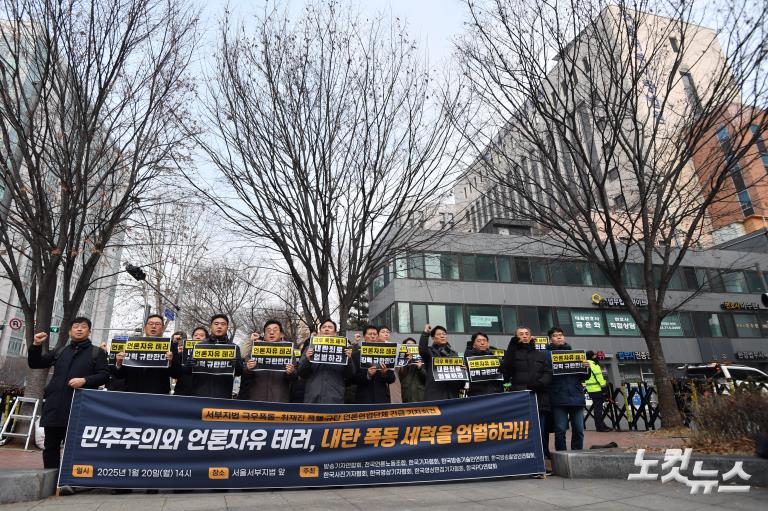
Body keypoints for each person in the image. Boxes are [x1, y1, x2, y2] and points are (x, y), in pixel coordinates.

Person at [27, 317, 110, 469]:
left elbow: (104, 375)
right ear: (70, 331)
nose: (79, 329)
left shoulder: (96, 353)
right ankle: (51, 481)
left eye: (83, 327)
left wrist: (85, 380)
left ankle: (69, 482)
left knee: (75, 448)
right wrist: (36, 345)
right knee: (50, 447)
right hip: (54, 408)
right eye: (76, 326)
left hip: (80, 408)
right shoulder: (60, 351)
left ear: (89, 331)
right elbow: (35, 363)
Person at [502, 326, 553, 459]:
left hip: (539, 397)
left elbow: (548, 372)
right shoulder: (512, 354)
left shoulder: (541, 355)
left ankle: (541, 461)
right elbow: (504, 370)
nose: (524, 336)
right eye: (520, 334)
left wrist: (539, 384)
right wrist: (511, 347)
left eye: (526, 334)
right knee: (523, 431)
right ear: (516, 337)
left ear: (531, 337)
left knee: (540, 431)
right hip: (520, 398)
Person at [113, 314, 180, 394]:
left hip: (158, 395)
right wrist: (119, 363)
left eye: (157, 324)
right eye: (150, 324)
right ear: (145, 328)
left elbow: (176, 374)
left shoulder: (170, 346)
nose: (154, 326)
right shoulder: (130, 344)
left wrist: (170, 362)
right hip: (131, 393)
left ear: (162, 329)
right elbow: (119, 375)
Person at [547, 327, 590, 451]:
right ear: (550, 340)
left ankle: (577, 455)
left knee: (579, 429)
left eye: (561, 334)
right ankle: (562, 456)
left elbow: (584, 377)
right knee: (560, 430)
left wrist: (587, 367)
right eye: (555, 335)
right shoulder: (547, 355)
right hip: (558, 397)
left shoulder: (575, 354)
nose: (559, 337)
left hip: (576, 396)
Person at [298, 318, 355, 404]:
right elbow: (301, 373)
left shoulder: (343, 350)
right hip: (312, 398)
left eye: (330, 327)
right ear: (320, 332)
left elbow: (350, 375)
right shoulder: (309, 348)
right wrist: (307, 359)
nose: (326, 329)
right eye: (324, 327)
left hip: (335, 398)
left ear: (335, 333)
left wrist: (349, 360)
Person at [187, 314, 242, 399]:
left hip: (223, 395)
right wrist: (189, 365)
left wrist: (237, 365)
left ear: (227, 327)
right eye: (216, 324)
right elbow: (188, 372)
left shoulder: (234, 348)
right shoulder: (199, 346)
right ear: (211, 326)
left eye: (223, 324)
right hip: (199, 394)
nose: (219, 326)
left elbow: (239, 372)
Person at [241, 320, 296, 402]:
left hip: (280, 399)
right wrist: (248, 369)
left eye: (275, 330)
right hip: (256, 399)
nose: (271, 333)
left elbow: (295, 378)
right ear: (264, 334)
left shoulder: (288, 352)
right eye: (268, 330)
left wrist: (291, 372)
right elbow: (244, 373)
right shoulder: (255, 350)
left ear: (281, 334)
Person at [419, 324, 463, 400]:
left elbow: (460, 378)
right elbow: (422, 349)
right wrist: (426, 333)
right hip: (435, 395)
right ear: (433, 338)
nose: (442, 336)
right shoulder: (429, 352)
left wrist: (463, 371)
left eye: (444, 334)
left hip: (452, 395)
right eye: (439, 334)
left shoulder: (454, 354)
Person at [354, 325, 395, 403]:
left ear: (378, 336)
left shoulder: (386, 354)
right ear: (364, 337)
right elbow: (352, 378)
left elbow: (392, 379)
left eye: (375, 334)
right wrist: (367, 375)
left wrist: (385, 373)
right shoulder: (356, 355)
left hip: (382, 399)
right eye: (370, 334)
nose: (373, 336)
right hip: (363, 399)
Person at [465, 332, 504, 396]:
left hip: (496, 393)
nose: (482, 343)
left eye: (484, 341)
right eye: (479, 341)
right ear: (474, 344)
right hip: (476, 395)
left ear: (488, 343)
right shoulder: (468, 358)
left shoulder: (495, 357)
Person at [174, 327, 206, 396]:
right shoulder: (182, 354)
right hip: (182, 393)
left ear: (206, 339)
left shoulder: (211, 356)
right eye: (195, 335)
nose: (198, 337)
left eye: (201, 335)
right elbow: (175, 372)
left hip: (201, 393)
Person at [584, 350, 611, 431]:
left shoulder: (585, 363)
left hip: (590, 389)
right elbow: (599, 377)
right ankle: (600, 427)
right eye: (594, 355)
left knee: (597, 408)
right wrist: (604, 387)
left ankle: (601, 425)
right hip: (597, 389)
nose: (595, 357)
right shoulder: (594, 364)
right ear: (592, 356)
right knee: (598, 409)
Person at [397, 338, 426, 402]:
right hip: (407, 395)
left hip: (420, 395)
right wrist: (407, 362)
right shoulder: (400, 360)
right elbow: (400, 376)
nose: (411, 346)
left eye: (413, 344)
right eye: (408, 344)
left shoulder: (421, 359)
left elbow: (426, 378)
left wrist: (420, 368)